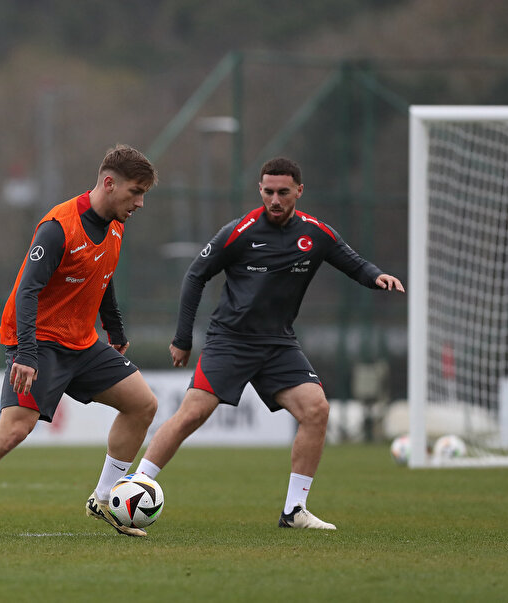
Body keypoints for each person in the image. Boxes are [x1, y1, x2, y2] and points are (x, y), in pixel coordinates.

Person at [136, 157, 405, 530]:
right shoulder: (239, 231)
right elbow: (196, 275)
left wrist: (377, 277)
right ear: (260, 190)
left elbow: (354, 264)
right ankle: (136, 486)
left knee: (316, 410)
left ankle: (294, 510)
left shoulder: (316, 234)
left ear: (299, 191)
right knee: (192, 414)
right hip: (230, 340)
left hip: (278, 344)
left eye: (283, 192)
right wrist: (182, 338)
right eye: (268, 192)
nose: (275, 200)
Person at [0, 144, 159, 538]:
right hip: (39, 341)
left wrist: (114, 329)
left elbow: (103, 273)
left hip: (82, 342)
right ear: (109, 183)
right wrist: (27, 354)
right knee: (15, 428)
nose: (140, 203)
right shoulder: (59, 226)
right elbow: (27, 291)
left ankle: (103, 499)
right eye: (135, 192)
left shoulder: (116, 225)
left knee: (142, 404)